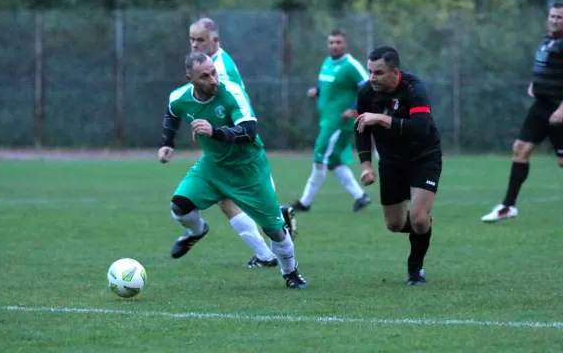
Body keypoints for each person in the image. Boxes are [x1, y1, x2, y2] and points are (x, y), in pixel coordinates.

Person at [159, 52, 307, 289]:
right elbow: (172, 114)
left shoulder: (231, 93)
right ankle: (196, 231)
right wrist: (167, 143)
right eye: (205, 76)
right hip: (213, 167)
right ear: (190, 79)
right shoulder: (179, 97)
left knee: (276, 231)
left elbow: (249, 131)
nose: (213, 80)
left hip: (248, 170)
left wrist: (214, 131)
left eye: (214, 73)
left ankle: (291, 273)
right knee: (179, 206)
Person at [481, 2, 563, 222]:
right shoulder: (546, 41)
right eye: (552, 16)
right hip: (540, 107)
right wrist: (536, 84)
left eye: (560, 17)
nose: (555, 20)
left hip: (562, 110)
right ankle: (508, 206)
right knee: (520, 148)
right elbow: (545, 67)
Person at [355, 45, 442, 285]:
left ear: (395, 72)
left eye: (378, 72)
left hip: (424, 157)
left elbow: (421, 126)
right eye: (370, 71)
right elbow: (361, 129)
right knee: (394, 225)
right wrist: (366, 165)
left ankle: (415, 269)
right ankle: (423, 228)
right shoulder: (365, 93)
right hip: (391, 162)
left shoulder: (414, 89)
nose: (372, 77)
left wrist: (382, 119)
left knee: (418, 217)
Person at [291, 30, 371, 213]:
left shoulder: (351, 65)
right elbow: (329, 85)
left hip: (339, 124)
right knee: (333, 161)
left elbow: (368, 87)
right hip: (327, 121)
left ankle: (305, 202)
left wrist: (354, 108)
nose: (334, 45)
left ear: (345, 44)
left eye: (338, 42)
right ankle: (361, 196)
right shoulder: (327, 62)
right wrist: (317, 90)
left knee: (320, 157)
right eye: (331, 42)